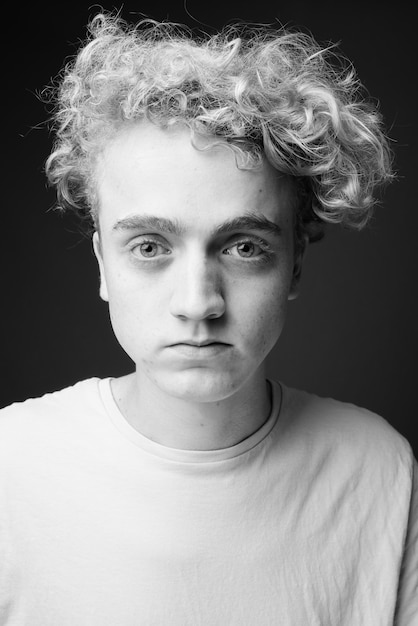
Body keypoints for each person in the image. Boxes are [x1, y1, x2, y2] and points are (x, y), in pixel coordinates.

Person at [0, 12, 416, 625]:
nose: (198, 303)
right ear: (101, 264)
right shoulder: (11, 466)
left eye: (243, 246)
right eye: (149, 247)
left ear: (294, 263)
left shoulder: (378, 470)